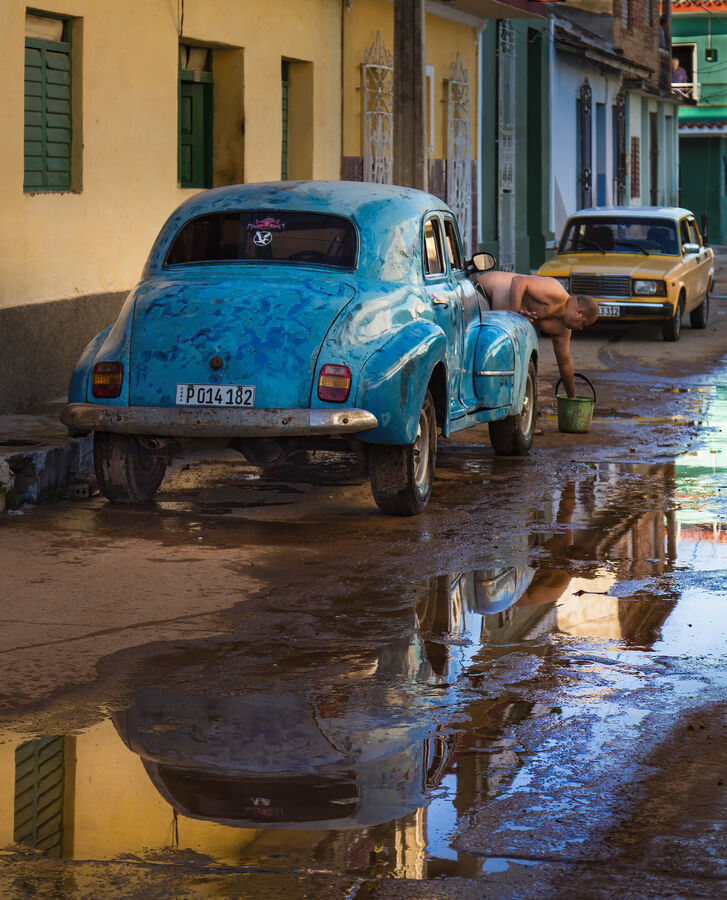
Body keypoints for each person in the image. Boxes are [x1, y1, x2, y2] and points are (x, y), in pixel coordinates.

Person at [477, 270, 599, 399]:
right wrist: (515, 315)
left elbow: (565, 364)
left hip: (493, 316)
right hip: (483, 292)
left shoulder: (562, 329)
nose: (580, 328)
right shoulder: (556, 291)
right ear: (579, 312)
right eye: (583, 324)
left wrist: (572, 398)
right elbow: (519, 281)